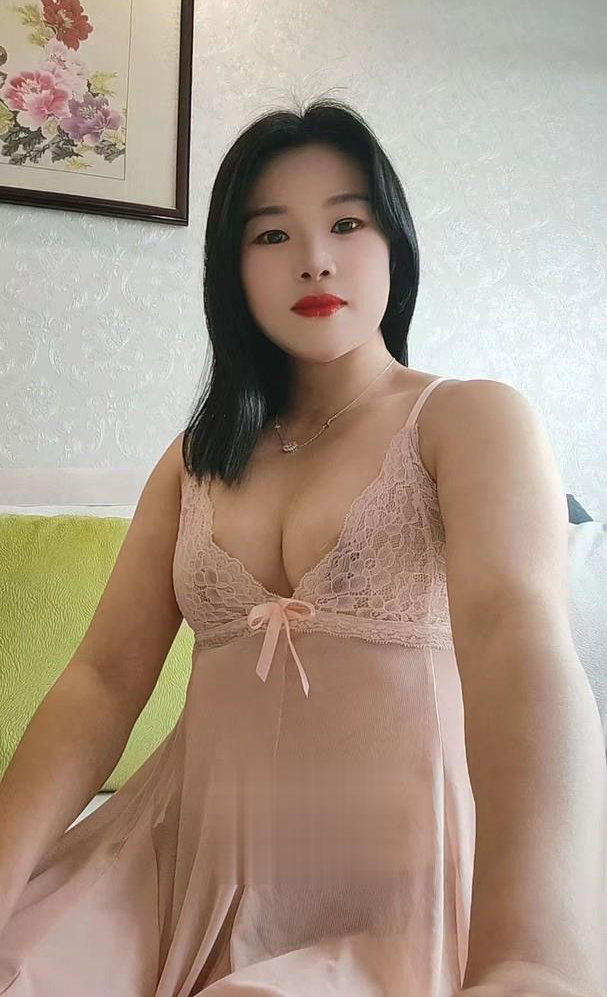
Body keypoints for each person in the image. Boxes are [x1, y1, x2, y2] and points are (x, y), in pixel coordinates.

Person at [0, 96, 605, 997]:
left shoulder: (468, 418)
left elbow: (517, 641)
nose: (314, 257)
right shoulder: (194, 460)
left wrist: (534, 955)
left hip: (392, 893)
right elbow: (102, 680)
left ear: (393, 243)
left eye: (347, 223)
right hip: (172, 866)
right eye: (271, 234)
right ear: (231, 268)